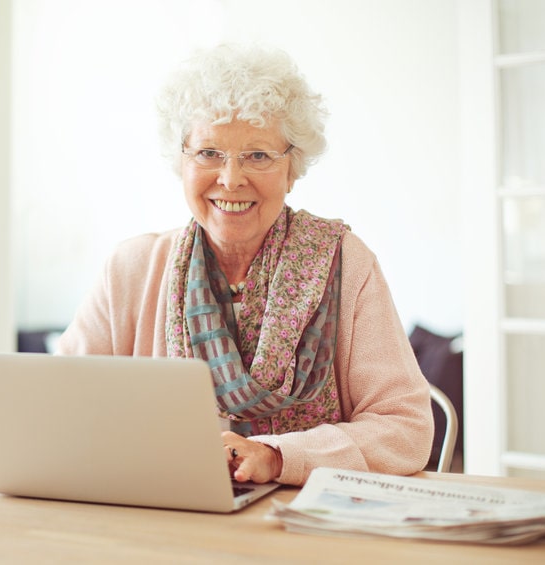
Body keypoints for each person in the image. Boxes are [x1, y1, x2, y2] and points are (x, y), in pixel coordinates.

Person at [55, 43, 434, 487]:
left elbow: (406, 430)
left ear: (293, 168)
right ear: (181, 161)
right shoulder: (131, 268)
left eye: (258, 155)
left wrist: (279, 456)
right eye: (209, 153)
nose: (231, 178)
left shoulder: (347, 263)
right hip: (165, 510)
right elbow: (63, 404)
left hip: (301, 524)